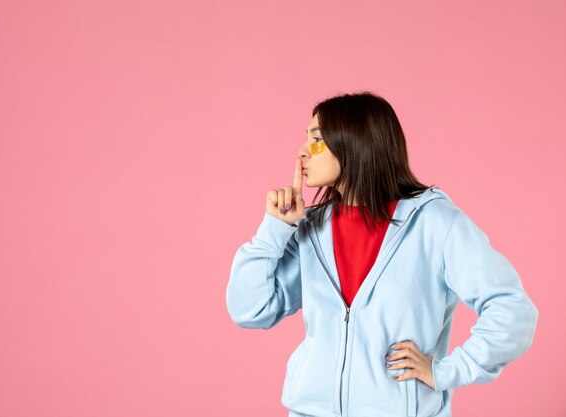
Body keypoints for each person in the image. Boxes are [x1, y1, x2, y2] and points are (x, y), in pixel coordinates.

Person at [225, 92, 539, 417]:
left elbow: (513, 311)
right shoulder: (310, 228)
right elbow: (250, 309)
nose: (302, 152)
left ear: (354, 142)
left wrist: (445, 372)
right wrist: (274, 229)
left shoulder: (435, 224)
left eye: (317, 140)